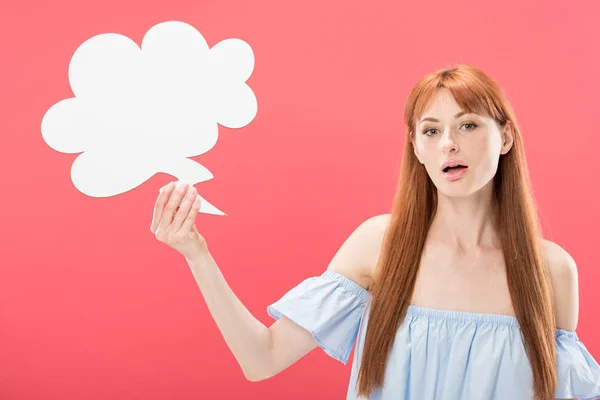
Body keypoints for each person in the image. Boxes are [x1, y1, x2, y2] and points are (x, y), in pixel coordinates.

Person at [149, 64, 600, 400]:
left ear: (504, 138)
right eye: (431, 130)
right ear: (417, 149)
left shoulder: (552, 271)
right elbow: (262, 359)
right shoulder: (380, 245)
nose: (449, 143)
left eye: (467, 124)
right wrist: (197, 255)